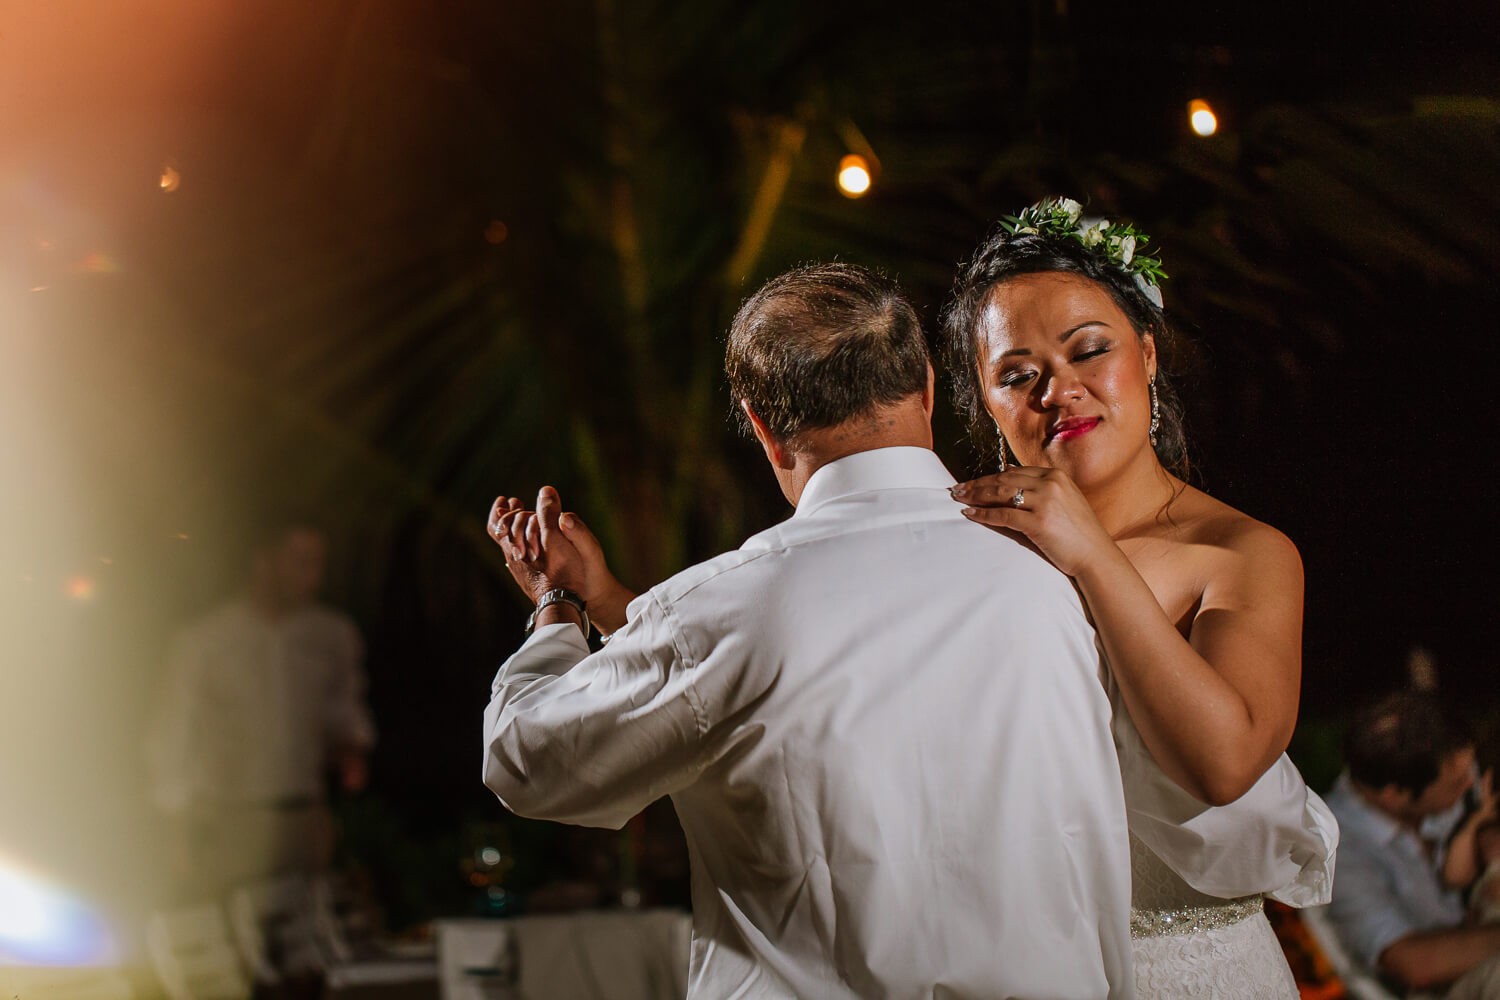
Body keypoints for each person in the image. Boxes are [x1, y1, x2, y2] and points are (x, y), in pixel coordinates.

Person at [483, 263, 1140, 998]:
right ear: (925, 386)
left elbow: (527, 761)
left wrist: (557, 605)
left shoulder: (725, 608)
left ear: (763, 426)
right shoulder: (1058, 572)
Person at [939, 197, 1337, 998]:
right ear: (989, 404)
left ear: (1149, 357)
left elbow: (1222, 763)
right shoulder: (967, 552)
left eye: (1090, 351)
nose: (1060, 391)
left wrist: (1089, 553)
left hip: (1200, 974)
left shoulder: (1243, 554)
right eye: (1019, 376)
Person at [146, 513, 375, 896]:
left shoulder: (332, 634)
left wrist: (351, 750)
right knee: (236, 933)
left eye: (317, 563)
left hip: (305, 813)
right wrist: (176, 824)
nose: (312, 577)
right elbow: (172, 733)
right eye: (301, 562)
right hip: (230, 818)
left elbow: (344, 707)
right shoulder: (205, 641)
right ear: (264, 561)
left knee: (307, 931)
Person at [1326, 692, 1500, 997]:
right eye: (1457, 783)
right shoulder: (1338, 848)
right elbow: (1413, 963)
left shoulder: (1445, 767)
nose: (1471, 783)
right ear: (1393, 795)